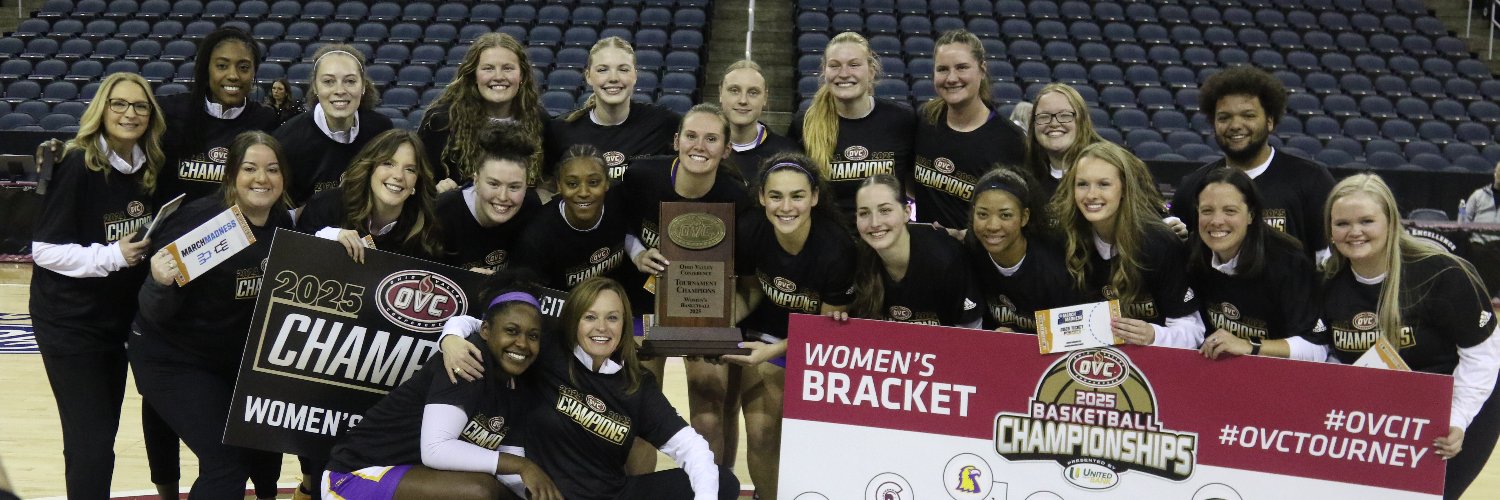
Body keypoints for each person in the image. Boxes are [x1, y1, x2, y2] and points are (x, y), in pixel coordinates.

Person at [441, 277, 739, 499]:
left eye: (612, 318)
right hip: (551, 494)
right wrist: (450, 338)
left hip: (613, 493)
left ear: (625, 324)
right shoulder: (549, 350)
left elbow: (692, 447)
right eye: (590, 317)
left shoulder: (636, 384)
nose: (602, 327)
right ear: (574, 320)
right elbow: (480, 323)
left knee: (723, 482)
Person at [1317, 173, 1500, 500]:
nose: (1354, 232)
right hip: (1389, 410)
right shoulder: (1328, 282)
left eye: (1367, 221)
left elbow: (1483, 356)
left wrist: (1456, 419)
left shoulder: (1443, 273)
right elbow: (1333, 355)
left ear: (1391, 221)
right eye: (1342, 223)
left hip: (1463, 402)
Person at [130, 131, 293, 498]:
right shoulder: (204, 223)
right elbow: (155, 311)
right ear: (232, 174)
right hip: (171, 358)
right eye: (249, 168)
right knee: (226, 462)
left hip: (227, 362)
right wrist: (160, 282)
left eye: (272, 169)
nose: (261, 179)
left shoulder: (284, 225)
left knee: (249, 452)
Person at [28, 72, 166, 500]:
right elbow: (44, 251)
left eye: (140, 106)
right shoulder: (75, 161)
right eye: (119, 104)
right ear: (101, 109)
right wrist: (110, 256)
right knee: (90, 440)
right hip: (69, 323)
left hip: (115, 321)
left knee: (102, 435)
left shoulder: (151, 166)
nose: (130, 113)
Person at [322, 273, 560, 500]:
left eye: (533, 336)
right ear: (485, 330)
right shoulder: (466, 360)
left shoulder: (520, 381)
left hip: (414, 479)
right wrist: (524, 466)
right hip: (353, 477)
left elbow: (510, 460)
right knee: (479, 491)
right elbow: (436, 449)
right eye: (511, 331)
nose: (522, 343)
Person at [619, 103, 753, 472]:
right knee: (642, 407)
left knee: (709, 411)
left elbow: (746, 267)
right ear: (677, 141)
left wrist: (726, 317)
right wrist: (637, 253)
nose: (700, 146)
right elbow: (619, 227)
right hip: (642, 301)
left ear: (726, 149)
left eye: (712, 139)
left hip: (703, 308)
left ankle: (712, 492)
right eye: (692, 136)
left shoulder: (737, 197)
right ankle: (640, 493)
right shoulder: (642, 175)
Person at [730, 153, 856, 499]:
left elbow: (827, 327)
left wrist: (777, 350)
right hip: (764, 336)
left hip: (820, 345)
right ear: (761, 197)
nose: (786, 207)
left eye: (797, 196)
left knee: (808, 438)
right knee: (760, 433)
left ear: (814, 197)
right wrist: (716, 325)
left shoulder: (837, 249)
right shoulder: (750, 229)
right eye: (776, 196)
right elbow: (751, 290)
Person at [1170, 66, 1335, 260]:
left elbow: (1328, 263)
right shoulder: (1192, 186)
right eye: (1224, 117)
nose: (1235, 125)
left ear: (1270, 121)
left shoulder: (1312, 180)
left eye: (1248, 115)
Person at [1052, 142, 1204, 348]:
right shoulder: (1065, 239)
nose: (1091, 195)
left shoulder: (1159, 243)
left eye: (1104, 184)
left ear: (1124, 188)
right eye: (1082, 184)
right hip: (1090, 361)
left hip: (1152, 367)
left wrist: (1154, 335)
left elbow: (1193, 330)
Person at [1188, 167, 1325, 361]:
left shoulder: (1288, 262)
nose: (1217, 221)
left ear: (1251, 214)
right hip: (1216, 371)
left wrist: (1248, 346)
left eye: (1230, 211)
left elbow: (1317, 349)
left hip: (1279, 376)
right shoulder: (1193, 251)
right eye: (1207, 211)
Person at [788, 31, 916, 215]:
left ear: (871, 72)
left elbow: (916, 184)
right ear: (825, 71)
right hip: (829, 239)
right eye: (834, 66)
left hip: (886, 238)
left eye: (854, 65)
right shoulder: (804, 124)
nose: (844, 74)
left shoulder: (902, 119)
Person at [911, 30, 1026, 231]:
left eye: (962, 67)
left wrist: (969, 236)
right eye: (942, 69)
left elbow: (1017, 213)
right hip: (925, 255)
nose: (952, 78)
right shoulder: (925, 120)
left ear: (982, 70)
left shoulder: (1010, 140)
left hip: (978, 258)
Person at [156, 27, 279, 202]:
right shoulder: (171, 110)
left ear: (254, 72)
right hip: (178, 227)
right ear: (207, 69)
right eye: (222, 66)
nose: (233, 75)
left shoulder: (265, 120)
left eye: (243, 67)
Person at [843, 174, 983, 327]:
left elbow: (972, 335)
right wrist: (838, 321)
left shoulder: (946, 259)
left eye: (885, 210)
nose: (875, 222)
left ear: (906, 212)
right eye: (864, 213)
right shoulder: (858, 259)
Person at [419, 32, 547, 189]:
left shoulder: (540, 120)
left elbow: (548, 182)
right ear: (474, 75)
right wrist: (438, 190)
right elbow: (420, 179)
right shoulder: (442, 121)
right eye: (488, 68)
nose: (498, 76)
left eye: (508, 68)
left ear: (522, 76)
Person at [545, 37, 679, 183]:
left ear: (635, 75)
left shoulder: (663, 123)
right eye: (603, 70)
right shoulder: (560, 130)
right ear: (588, 76)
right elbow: (547, 185)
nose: (613, 78)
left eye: (623, 69)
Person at [274, 44, 394, 206]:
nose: (340, 90)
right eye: (329, 81)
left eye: (350, 81)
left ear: (363, 86)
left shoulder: (382, 130)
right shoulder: (286, 140)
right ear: (315, 87)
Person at [297, 129, 444, 262]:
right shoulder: (326, 205)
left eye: (410, 170)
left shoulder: (426, 228)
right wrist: (327, 237)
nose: (398, 176)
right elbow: (292, 256)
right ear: (370, 168)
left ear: (417, 182)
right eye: (388, 163)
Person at [963, 166, 1078, 333]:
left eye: (1006, 215)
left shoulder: (1054, 269)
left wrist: (1019, 339)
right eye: (982, 214)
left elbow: (1072, 334)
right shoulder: (972, 252)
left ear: (1024, 217)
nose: (992, 226)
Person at [512, 145, 633, 292]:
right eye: (572, 184)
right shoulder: (537, 238)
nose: (583, 192)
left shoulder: (621, 201)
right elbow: (528, 297)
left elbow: (632, 230)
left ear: (607, 183)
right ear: (559, 186)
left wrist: (638, 252)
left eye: (593, 182)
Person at [435, 122, 543, 274]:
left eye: (514, 187)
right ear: (476, 180)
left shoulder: (531, 208)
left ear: (526, 186)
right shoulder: (443, 212)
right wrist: (464, 280)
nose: (503, 196)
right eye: (493, 184)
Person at [718, 60, 799, 181]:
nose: (743, 100)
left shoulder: (789, 153)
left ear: (765, 97)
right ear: (720, 93)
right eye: (734, 90)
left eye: (753, 92)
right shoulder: (704, 150)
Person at [1023, 83, 1106, 198]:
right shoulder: (1027, 183)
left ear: (1082, 121)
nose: (1054, 124)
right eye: (1044, 116)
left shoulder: (1108, 171)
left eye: (1065, 115)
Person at [1460, 160, 1500, 297]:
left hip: (1498, 244)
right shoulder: (1478, 195)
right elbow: (1464, 221)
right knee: (1479, 254)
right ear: (1495, 174)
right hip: (1479, 243)